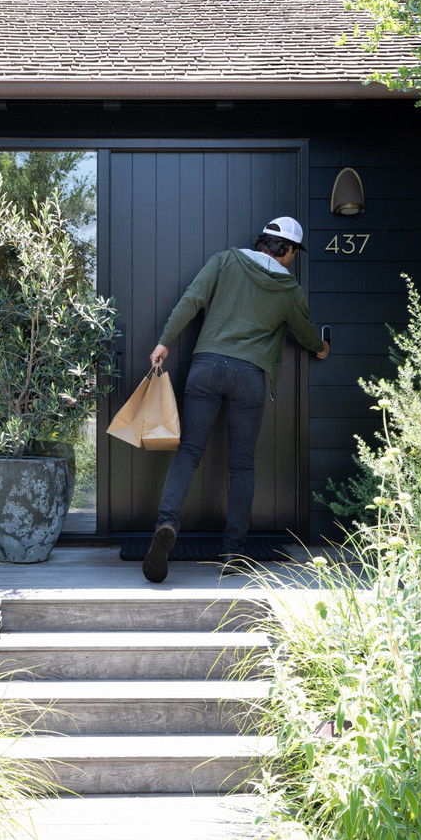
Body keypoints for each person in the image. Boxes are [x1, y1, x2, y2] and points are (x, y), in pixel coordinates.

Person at [142, 216, 329, 583]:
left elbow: (191, 300)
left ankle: (167, 523)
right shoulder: (291, 290)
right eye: (294, 253)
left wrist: (165, 341)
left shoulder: (225, 260)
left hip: (207, 367)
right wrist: (322, 348)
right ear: (287, 249)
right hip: (249, 378)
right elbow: (307, 335)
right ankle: (234, 551)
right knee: (241, 466)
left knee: (190, 451)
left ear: (263, 242)